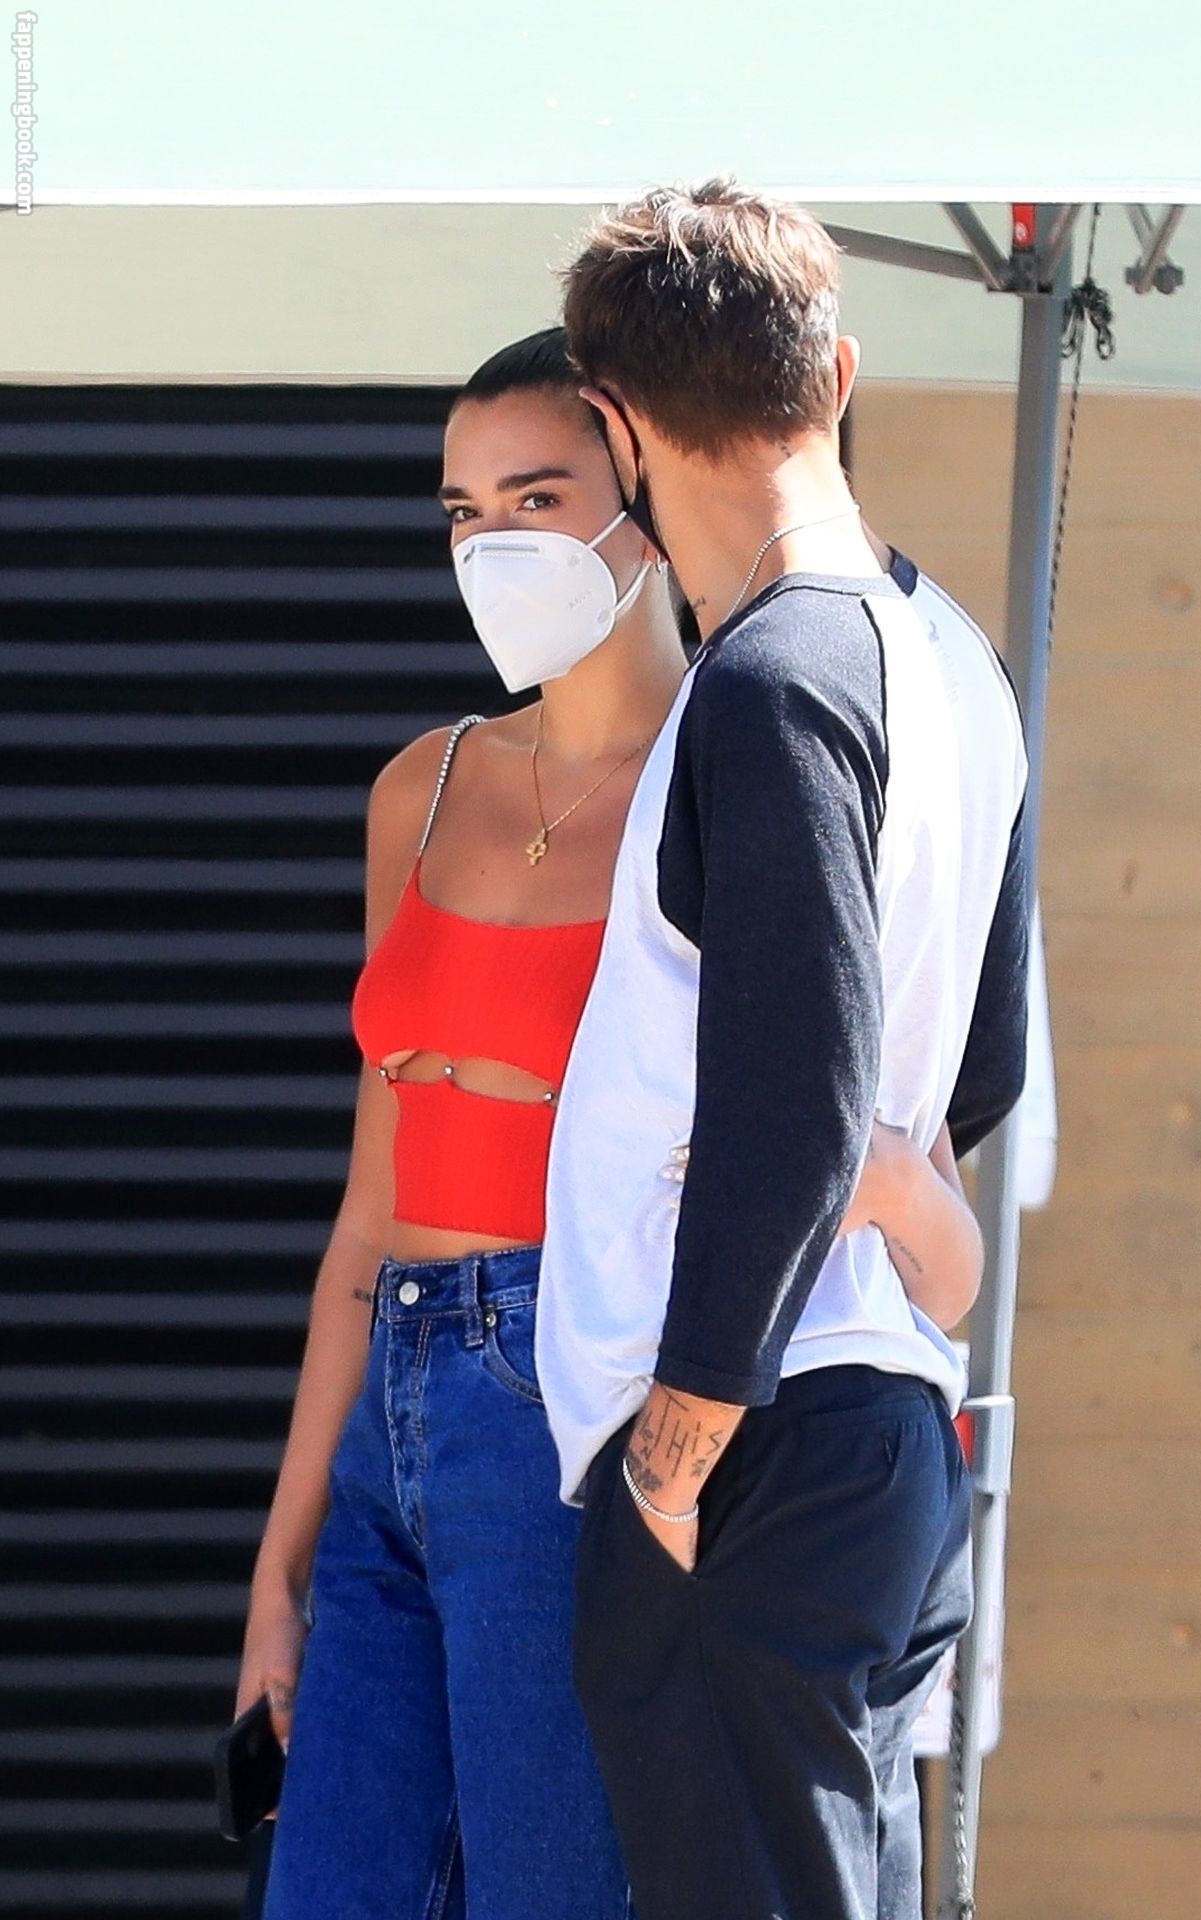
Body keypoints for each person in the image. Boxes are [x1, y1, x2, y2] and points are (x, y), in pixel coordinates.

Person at [237, 327, 988, 1920]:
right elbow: (367, 1216)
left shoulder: (730, 758)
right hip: (396, 1397)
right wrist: (277, 1567)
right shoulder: (421, 788)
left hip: (566, 1382)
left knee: (552, 1892)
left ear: (636, 483)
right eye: (462, 512)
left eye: (536, 498)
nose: (491, 547)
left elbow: (839, 1105)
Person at [537, 184, 1029, 1920]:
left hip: (759, 1441)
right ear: (838, 373)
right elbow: (972, 1079)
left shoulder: (768, 675)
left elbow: (802, 1090)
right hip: (871, 1431)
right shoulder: (956, 660)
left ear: (615, 422)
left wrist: (674, 1453)